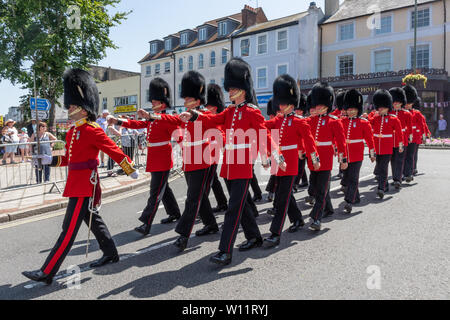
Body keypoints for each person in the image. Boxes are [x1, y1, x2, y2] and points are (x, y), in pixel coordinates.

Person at [22, 68, 139, 285]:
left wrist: (129, 168)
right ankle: (111, 252)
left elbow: (113, 149)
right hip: (75, 183)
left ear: (84, 110)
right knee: (94, 221)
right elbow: (69, 159)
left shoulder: (93, 130)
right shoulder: (73, 131)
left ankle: (47, 271)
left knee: (68, 230)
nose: (70, 109)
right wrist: (49, 160)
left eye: (73, 106)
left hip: (86, 184)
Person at [180, 58, 284, 265]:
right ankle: (254, 237)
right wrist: (193, 116)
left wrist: (276, 155)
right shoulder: (229, 111)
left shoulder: (252, 111)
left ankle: (225, 250)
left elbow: (264, 134)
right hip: (228, 164)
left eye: (234, 88)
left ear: (243, 90)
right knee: (242, 205)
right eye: (230, 89)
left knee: (233, 209)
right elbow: (212, 119)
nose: (230, 92)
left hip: (243, 163)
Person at [108, 78, 182, 235]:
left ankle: (146, 223)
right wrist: (118, 121)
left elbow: (178, 134)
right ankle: (175, 213)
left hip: (162, 159)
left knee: (155, 192)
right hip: (154, 159)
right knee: (164, 189)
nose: (153, 103)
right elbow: (137, 124)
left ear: (162, 103)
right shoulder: (152, 119)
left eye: (155, 101)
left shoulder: (165, 119)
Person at [263, 75, 320, 247]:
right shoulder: (277, 120)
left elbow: (309, 142)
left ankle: (275, 233)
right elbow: (263, 127)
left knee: (281, 199)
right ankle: (297, 220)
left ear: (291, 103)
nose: (280, 106)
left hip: (291, 164)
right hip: (278, 163)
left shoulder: (299, 122)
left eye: (283, 103)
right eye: (279, 103)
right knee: (286, 195)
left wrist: (314, 158)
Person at [305, 82, 348, 231]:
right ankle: (328, 208)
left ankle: (316, 218)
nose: (316, 107)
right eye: (315, 104)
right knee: (317, 188)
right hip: (313, 158)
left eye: (319, 104)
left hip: (326, 158)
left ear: (326, 104)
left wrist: (343, 160)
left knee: (322, 189)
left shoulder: (334, 121)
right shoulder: (309, 121)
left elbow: (342, 143)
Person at [340, 89, 375, 213]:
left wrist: (372, 154)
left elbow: (370, 140)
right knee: (348, 177)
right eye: (348, 109)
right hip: (344, 153)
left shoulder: (363, 122)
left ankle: (349, 201)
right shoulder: (341, 122)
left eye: (353, 109)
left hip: (357, 153)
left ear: (357, 109)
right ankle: (356, 197)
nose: (350, 111)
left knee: (354, 177)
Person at [369, 89, 403, 199]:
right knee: (379, 168)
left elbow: (399, 134)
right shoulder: (375, 117)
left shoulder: (393, 119)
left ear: (388, 107)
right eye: (379, 107)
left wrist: (400, 146)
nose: (380, 109)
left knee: (383, 168)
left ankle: (381, 188)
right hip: (377, 147)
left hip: (387, 147)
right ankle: (385, 185)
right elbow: (368, 124)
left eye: (382, 107)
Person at [205, 83, 228, 214]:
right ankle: (222, 202)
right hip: (207, 151)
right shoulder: (209, 116)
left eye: (209, 106)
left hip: (212, 153)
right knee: (213, 180)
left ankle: (203, 209)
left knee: (207, 182)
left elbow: (220, 134)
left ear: (215, 107)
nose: (207, 108)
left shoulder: (218, 118)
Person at [388, 87, 412, 189]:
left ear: (402, 103)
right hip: (390, 140)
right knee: (393, 160)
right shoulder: (389, 114)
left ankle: (398, 179)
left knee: (399, 159)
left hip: (401, 139)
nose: (396, 105)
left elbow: (409, 127)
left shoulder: (407, 114)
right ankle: (395, 178)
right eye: (394, 103)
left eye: (398, 103)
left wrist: (409, 137)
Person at [293, 93, 310, 192]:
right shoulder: (295, 120)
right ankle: (304, 181)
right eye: (297, 110)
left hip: (305, 147)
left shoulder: (305, 120)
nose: (298, 111)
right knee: (300, 166)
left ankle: (295, 184)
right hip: (298, 147)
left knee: (300, 167)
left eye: (299, 110)